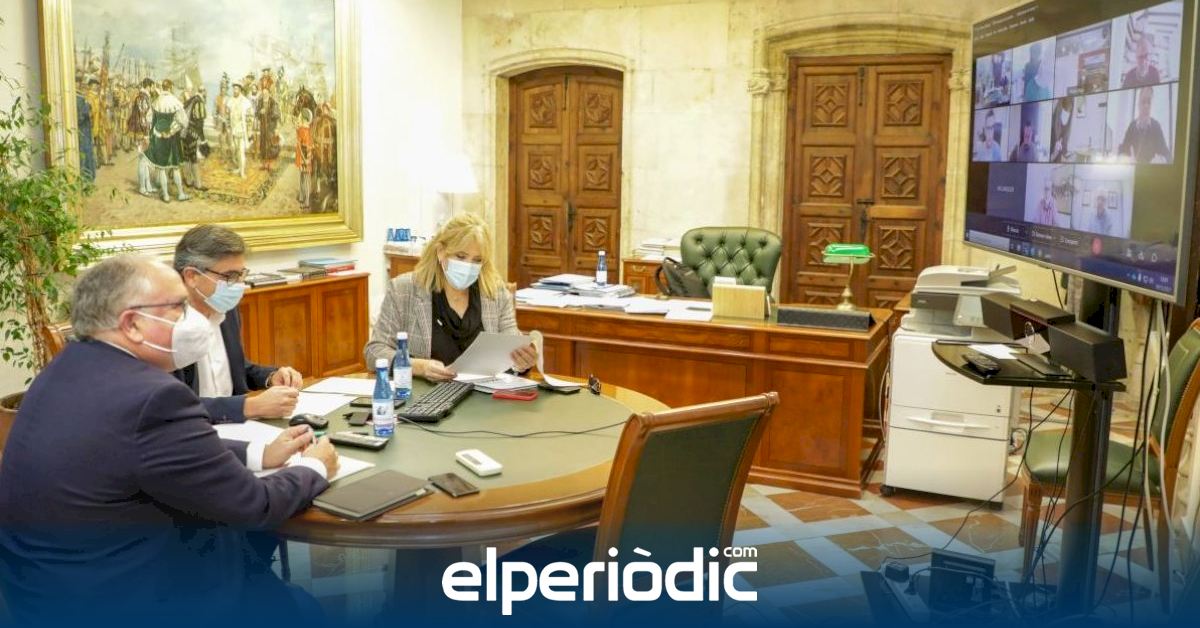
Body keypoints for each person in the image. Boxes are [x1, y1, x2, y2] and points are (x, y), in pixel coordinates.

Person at [0, 254, 338, 623]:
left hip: (48, 590)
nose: (192, 320)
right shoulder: (153, 397)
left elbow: (148, 449)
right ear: (132, 324)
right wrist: (314, 466)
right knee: (301, 609)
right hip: (132, 600)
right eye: (179, 306)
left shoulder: (68, 368)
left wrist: (259, 453)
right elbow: (255, 505)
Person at [365, 213, 538, 380]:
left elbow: (511, 354)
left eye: (477, 260)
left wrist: (521, 363)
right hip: (426, 394)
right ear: (441, 251)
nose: (468, 266)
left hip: (482, 393)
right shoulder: (404, 290)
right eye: (461, 256)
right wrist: (418, 367)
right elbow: (374, 352)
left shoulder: (496, 294)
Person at [173, 224, 303, 422]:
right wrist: (248, 406)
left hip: (237, 426)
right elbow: (172, 406)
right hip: (191, 430)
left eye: (241, 274)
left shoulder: (225, 308)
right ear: (192, 276)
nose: (239, 285)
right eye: (230, 276)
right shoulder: (166, 324)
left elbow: (238, 369)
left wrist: (271, 377)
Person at [146, 78, 190, 202]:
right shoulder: (175, 102)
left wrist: (158, 129)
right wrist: (171, 131)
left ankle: (165, 195)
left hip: (158, 138)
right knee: (175, 167)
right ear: (170, 88)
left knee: (161, 168)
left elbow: (149, 119)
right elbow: (184, 122)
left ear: (163, 87)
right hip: (172, 139)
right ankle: (180, 194)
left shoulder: (156, 101)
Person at [1118, 86, 1171, 163]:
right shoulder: (1132, 126)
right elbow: (1123, 151)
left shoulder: (1156, 126)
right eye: (1143, 101)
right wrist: (1125, 158)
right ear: (1138, 104)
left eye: (1149, 102)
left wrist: (1161, 159)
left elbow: (1167, 154)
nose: (1146, 106)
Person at [182, 87, 208, 191]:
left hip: (184, 132)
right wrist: (203, 139)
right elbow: (199, 124)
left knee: (186, 156)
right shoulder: (199, 102)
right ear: (204, 92)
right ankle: (198, 184)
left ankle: (188, 181)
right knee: (193, 158)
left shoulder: (191, 100)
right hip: (192, 133)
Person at [228, 83, 252, 178]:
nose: (234, 91)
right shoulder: (230, 101)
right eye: (234, 89)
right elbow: (228, 117)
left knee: (241, 151)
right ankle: (239, 167)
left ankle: (242, 172)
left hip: (242, 130)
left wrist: (249, 131)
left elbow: (250, 118)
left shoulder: (246, 102)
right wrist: (229, 129)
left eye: (236, 89)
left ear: (240, 90)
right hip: (233, 130)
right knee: (237, 150)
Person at [296, 108, 314, 208]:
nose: (299, 118)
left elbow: (302, 145)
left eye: (301, 117)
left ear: (304, 119)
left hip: (305, 157)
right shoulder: (307, 130)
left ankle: (305, 200)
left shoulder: (302, 130)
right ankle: (303, 197)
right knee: (304, 178)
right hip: (306, 156)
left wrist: (305, 158)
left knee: (304, 178)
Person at [1050, 96, 1073, 162]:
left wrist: (1065, 157)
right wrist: (1055, 153)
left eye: (1068, 113)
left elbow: (1064, 152)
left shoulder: (1066, 129)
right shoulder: (1051, 128)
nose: (1066, 117)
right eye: (1065, 112)